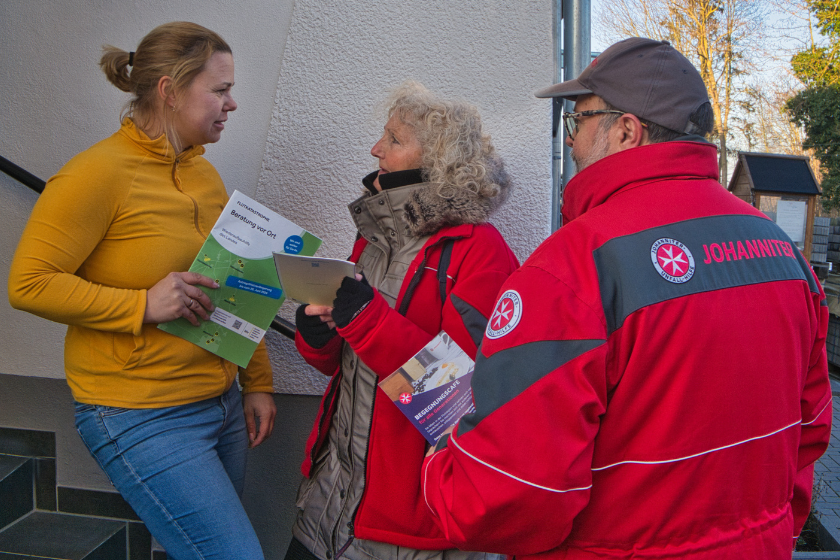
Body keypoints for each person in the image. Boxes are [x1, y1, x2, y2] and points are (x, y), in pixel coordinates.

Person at [421, 37, 832, 559]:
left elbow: (504, 497)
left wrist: (440, 463)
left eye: (578, 121)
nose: (570, 142)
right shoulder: (780, 250)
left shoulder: (572, 265)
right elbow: (811, 427)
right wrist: (772, 530)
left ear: (625, 130)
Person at [8, 22, 275, 560]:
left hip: (220, 404)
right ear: (170, 91)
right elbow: (28, 284)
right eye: (219, 90)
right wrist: (142, 305)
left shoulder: (204, 175)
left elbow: (230, 283)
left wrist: (257, 379)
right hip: (140, 414)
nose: (232, 103)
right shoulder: (94, 175)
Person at [287, 81, 519, 560]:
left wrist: (369, 322)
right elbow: (348, 367)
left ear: (437, 160)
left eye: (394, 140)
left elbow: (458, 401)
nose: (376, 149)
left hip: (405, 526)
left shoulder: (481, 254)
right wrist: (319, 339)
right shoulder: (375, 237)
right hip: (326, 504)